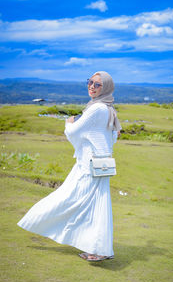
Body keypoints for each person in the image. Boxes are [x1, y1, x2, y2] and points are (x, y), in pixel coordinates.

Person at [17, 71, 121, 262]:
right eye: (90, 82)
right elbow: (113, 136)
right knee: (95, 206)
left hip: (89, 165)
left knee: (69, 198)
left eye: (97, 84)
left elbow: (75, 132)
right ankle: (97, 249)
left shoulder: (97, 109)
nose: (91, 86)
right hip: (100, 164)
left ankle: (36, 220)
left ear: (105, 87)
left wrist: (68, 123)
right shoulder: (108, 109)